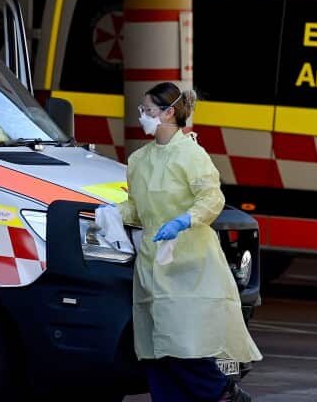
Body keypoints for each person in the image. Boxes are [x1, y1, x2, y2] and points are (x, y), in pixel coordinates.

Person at [106, 82, 261, 402]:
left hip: (191, 262)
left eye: (148, 111)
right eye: (142, 111)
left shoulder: (191, 154)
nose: (143, 117)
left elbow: (211, 198)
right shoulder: (140, 160)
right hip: (153, 262)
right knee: (156, 349)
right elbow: (138, 207)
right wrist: (111, 214)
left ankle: (222, 391)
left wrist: (184, 221)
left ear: (168, 112)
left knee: (184, 344)